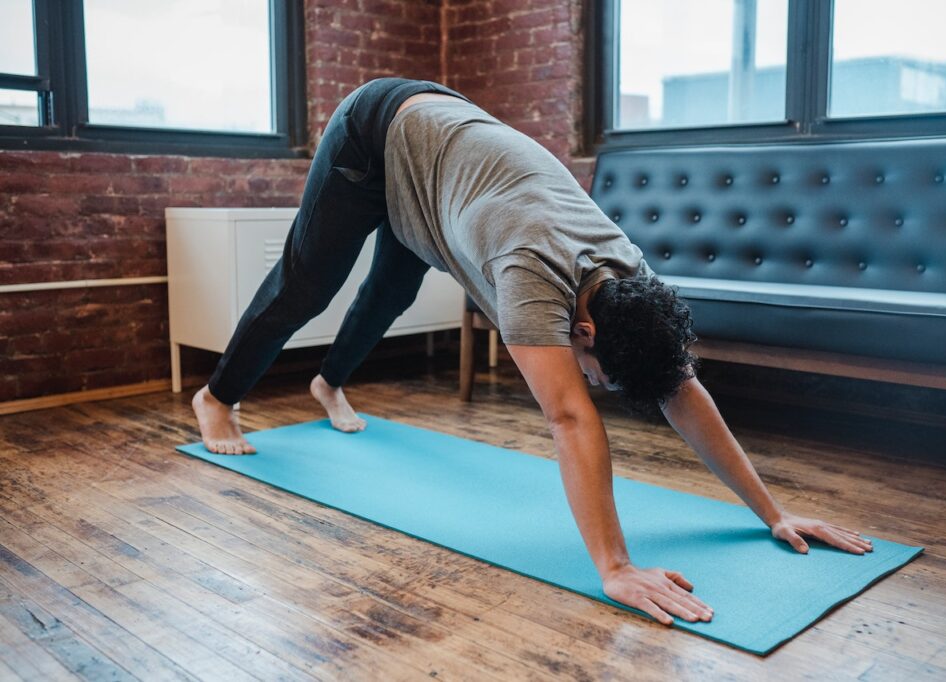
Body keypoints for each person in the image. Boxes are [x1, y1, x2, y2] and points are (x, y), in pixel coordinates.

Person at [191, 77, 873, 627]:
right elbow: (571, 419)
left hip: (446, 166)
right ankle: (217, 397)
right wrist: (615, 567)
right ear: (584, 334)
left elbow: (681, 389)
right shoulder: (529, 274)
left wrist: (772, 511)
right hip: (375, 135)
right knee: (310, 284)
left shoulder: (631, 276)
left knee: (389, 294)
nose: (592, 382)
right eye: (599, 374)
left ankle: (327, 385)